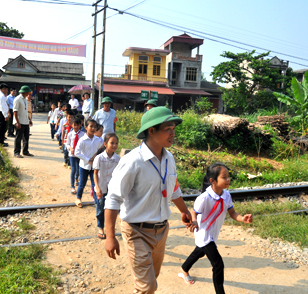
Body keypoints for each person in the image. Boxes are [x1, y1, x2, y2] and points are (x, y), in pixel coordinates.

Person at [104, 106, 196, 293]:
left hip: (161, 231)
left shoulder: (169, 158)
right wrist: (110, 236)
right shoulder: (132, 161)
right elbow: (113, 198)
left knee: (152, 278)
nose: (173, 133)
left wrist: (184, 211)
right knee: (147, 287)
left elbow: (174, 188)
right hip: (136, 231)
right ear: (151, 131)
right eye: (168, 129)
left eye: (173, 129)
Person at [179, 163, 253, 293]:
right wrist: (195, 221)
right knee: (218, 265)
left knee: (200, 251)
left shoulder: (227, 196)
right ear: (212, 181)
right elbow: (194, 212)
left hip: (213, 234)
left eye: (228, 176)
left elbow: (232, 213)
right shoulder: (204, 198)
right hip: (203, 233)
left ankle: (184, 269)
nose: (228, 179)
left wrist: (242, 219)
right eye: (224, 177)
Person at [93, 133, 120, 239]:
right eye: (112, 143)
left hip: (113, 189)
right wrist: (97, 188)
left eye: (116, 143)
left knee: (112, 209)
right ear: (105, 144)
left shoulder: (118, 159)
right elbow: (95, 174)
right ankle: (100, 227)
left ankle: (110, 228)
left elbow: (119, 174)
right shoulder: (99, 158)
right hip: (101, 188)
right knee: (100, 208)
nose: (114, 145)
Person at [74, 118, 103, 208]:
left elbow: (101, 149)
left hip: (94, 166)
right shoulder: (82, 140)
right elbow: (76, 152)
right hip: (84, 166)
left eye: (95, 127)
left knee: (95, 184)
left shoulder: (98, 140)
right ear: (86, 127)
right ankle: (78, 198)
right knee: (82, 183)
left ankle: (97, 201)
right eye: (91, 126)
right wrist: (88, 160)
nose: (93, 128)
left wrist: (96, 158)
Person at [13, 85, 34, 158]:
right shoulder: (17, 99)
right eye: (28, 92)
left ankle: (25, 151)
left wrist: (29, 120)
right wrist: (17, 122)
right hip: (20, 121)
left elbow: (25, 111)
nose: (28, 94)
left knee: (26, 137)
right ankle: (16, 152)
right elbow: (15, 111)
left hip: (25, 121)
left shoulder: (25, 99)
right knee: (18, 138)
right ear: (24, 92)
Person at [66, 117, 84, 194]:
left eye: (77, 125)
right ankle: (72, 186)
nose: (76, 126)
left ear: (80, 125)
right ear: (72, 125)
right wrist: (70, 148)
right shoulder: (70, 134)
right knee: (73, 169)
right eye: (74, 125)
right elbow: (67, 144)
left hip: (80, 155)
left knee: (79, 169)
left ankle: (77, 178)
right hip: (72, 154)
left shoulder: (83, 135)